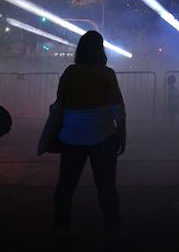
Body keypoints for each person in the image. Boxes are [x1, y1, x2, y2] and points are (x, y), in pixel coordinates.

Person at [53, 30, 126, 244]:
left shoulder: (70, 72)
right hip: (102, 134)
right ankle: (113, 228)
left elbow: (60, 102)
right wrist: (122, 134)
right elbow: (117, 109)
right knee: (106, 185)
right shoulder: (106, 73)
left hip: (71, 135)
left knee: (66, 184)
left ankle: (61, 226)